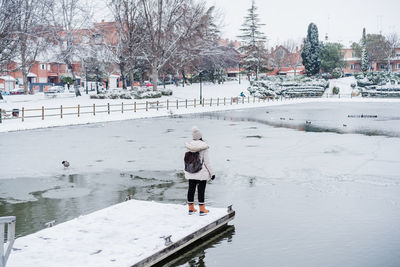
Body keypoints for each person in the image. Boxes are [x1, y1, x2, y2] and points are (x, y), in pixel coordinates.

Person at [184, 126, 215, 216]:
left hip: (190, 171)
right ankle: (202, 210)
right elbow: (207, 162)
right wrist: (212, 173)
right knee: (201, 190)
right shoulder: (204, 146)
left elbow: (187, 160)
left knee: (191, 189)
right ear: (201, 136)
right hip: (201, 172)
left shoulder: (189, 146)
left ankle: (191, 209)